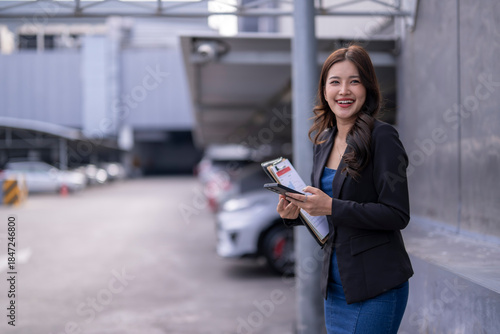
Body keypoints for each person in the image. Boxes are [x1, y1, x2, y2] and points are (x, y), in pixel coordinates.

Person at [276, 45, 413, 334]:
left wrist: (330, 206)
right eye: (335, 82)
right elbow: (330, 218)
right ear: (324, 90)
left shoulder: (383, 137)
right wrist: (295, 213)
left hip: (378, 284)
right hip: (338, 284)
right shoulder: (324, 140)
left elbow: (397, 214)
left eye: (354, 81)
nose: (344, 90)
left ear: (367, 88)